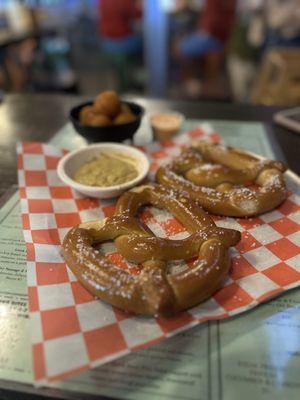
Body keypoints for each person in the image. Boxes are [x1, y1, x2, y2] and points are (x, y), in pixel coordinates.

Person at [176, 0, 237, 98]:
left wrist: (204, 31)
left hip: (213, 36)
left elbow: (212, 22)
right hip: (220, 36)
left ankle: (194, 83)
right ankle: (198, 81)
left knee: (180, 47)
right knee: (183, 40)